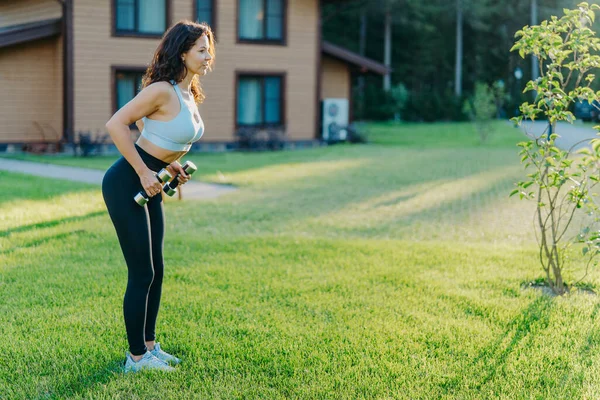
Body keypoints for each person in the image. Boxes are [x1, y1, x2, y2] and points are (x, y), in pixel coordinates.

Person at [102, 19, 215, 373]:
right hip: (125, 183)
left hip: (151, 182)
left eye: (209, 48)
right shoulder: (162, 90)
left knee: (157, 270)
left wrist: (171, 167)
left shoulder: (188, 93)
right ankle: (135, 358)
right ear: (182, 52)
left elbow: (164, 141)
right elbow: (117, 124)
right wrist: (144, 171)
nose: (209, 55)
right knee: (142, 272)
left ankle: (150, 347)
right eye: (201, 49)